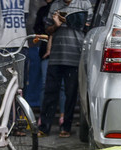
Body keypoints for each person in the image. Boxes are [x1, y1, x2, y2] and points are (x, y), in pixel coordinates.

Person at [37, 0, 92, 139]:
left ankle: (66, 127)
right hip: (56, 57)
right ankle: (44, 127)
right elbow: (47, 30)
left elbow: (90, 28)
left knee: (71, 95)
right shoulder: (55, 5)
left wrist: (71, 20)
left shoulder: (84, 4)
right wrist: (55, 25)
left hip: (75, 57)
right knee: (50, 93)